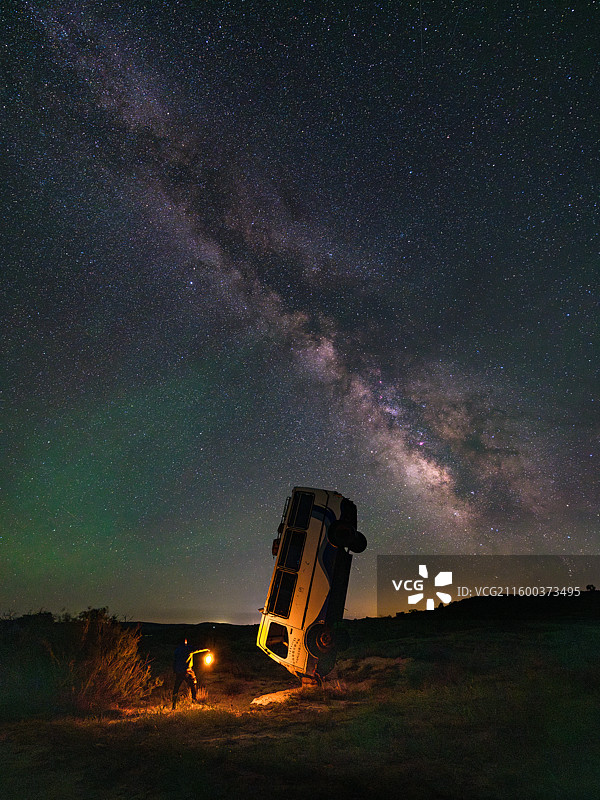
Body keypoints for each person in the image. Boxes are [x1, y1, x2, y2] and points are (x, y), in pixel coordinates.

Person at [172, 638, 211, 709]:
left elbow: (174, 662)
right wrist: (206, 649)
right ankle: (194, 701)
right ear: (185, 641)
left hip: (179, 672)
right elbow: (197, 649)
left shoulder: (177, 650)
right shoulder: (187, 648)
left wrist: (175, 670)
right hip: (187, 671)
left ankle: (173, 705)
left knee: (176, 688)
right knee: (193, 684)